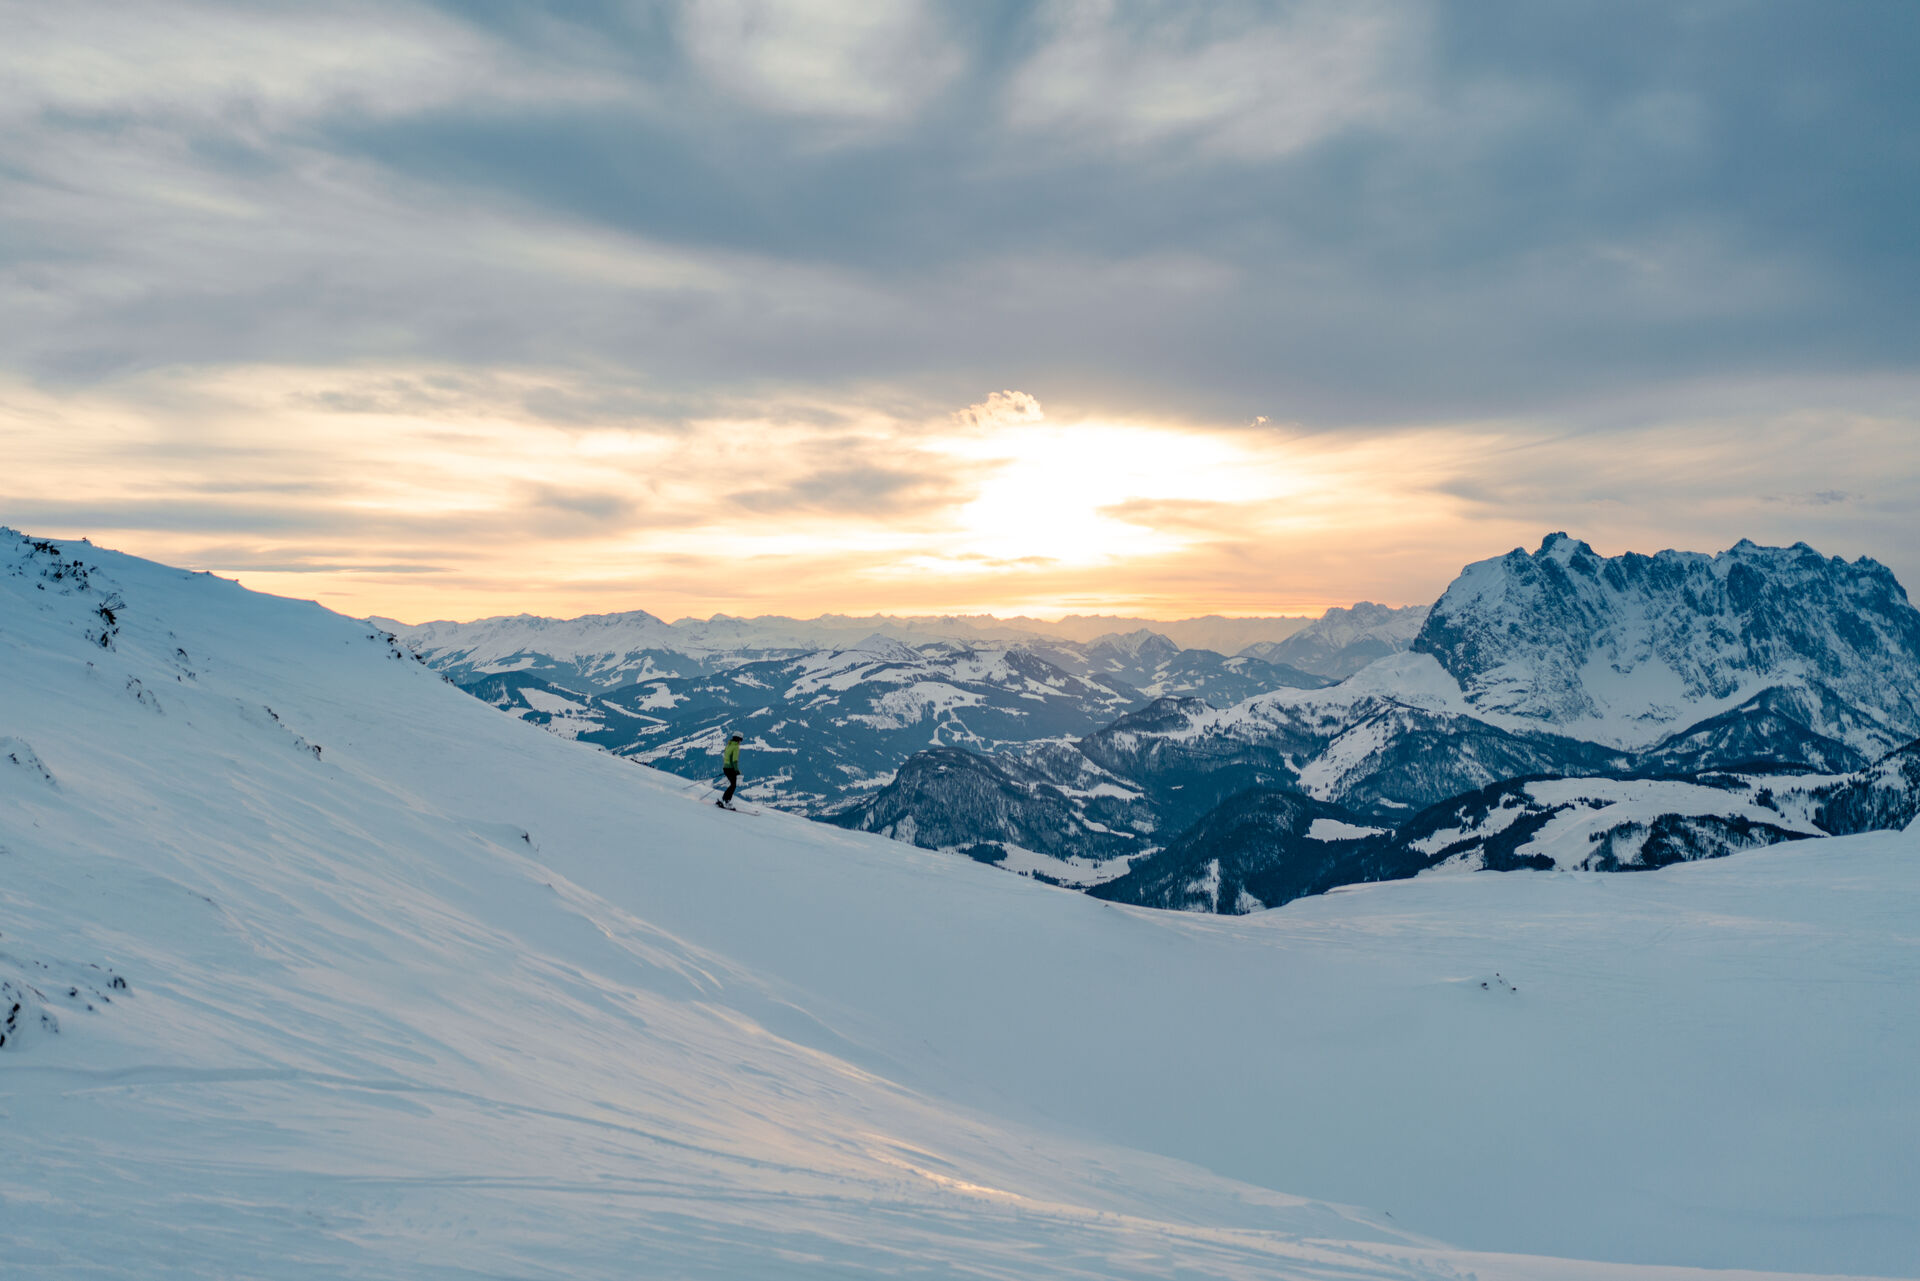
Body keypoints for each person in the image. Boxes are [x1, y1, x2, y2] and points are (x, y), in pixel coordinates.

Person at [718, 733, 743, 808]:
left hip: (726, 767)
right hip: (731, 768)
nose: (740, 742)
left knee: (732, 785)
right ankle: (726, 801)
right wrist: (736, 770)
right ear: (738, 739)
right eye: (740, 740)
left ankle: (724, 800)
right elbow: (734, 760)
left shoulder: (729, 745)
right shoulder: (735, 747)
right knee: (733, 785)